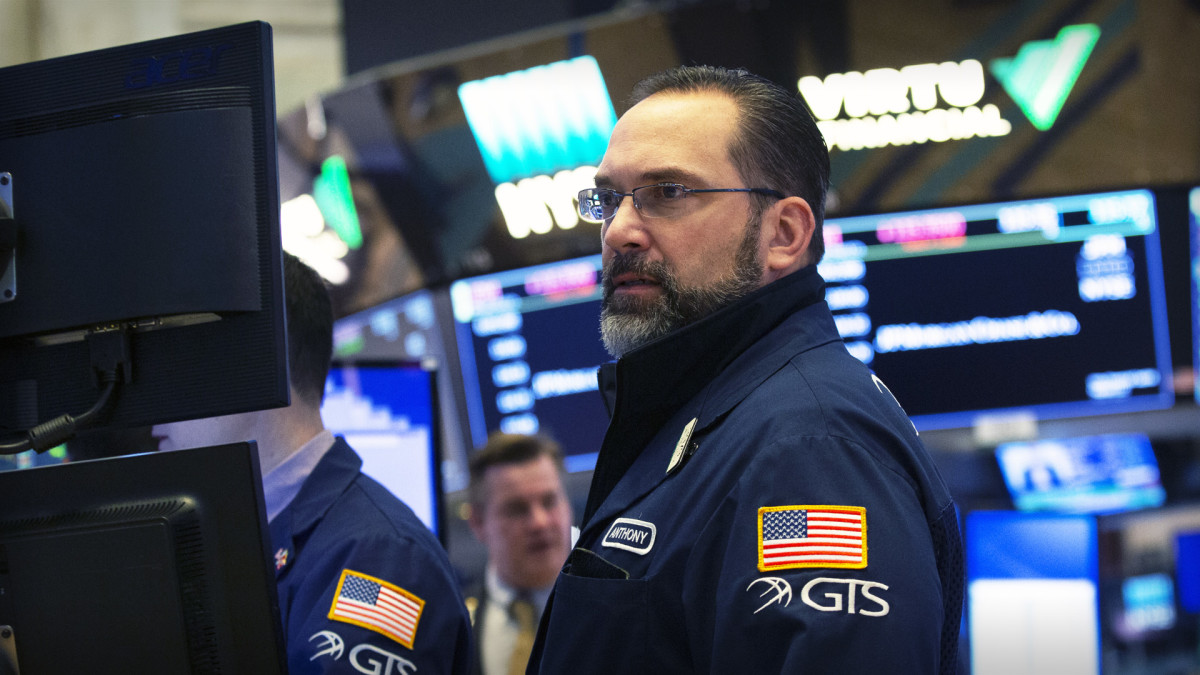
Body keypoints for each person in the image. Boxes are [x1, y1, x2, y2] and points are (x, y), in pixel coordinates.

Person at [527, 65, 963, 673]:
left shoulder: (809, 447)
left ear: (783, 233)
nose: (618, 231)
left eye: (668, 192)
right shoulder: (718, 422)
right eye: (609, 200)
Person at [152, 253, 472, 674]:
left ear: (253, 364)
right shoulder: (251, 541)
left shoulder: (377, 558)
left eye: (172, 371)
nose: (153, 416)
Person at [463, 432, 574, 675]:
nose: (540, 522)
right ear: (478, 523)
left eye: (549, 501)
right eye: (517, 509)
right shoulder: (456, 624)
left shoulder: (613, 609)